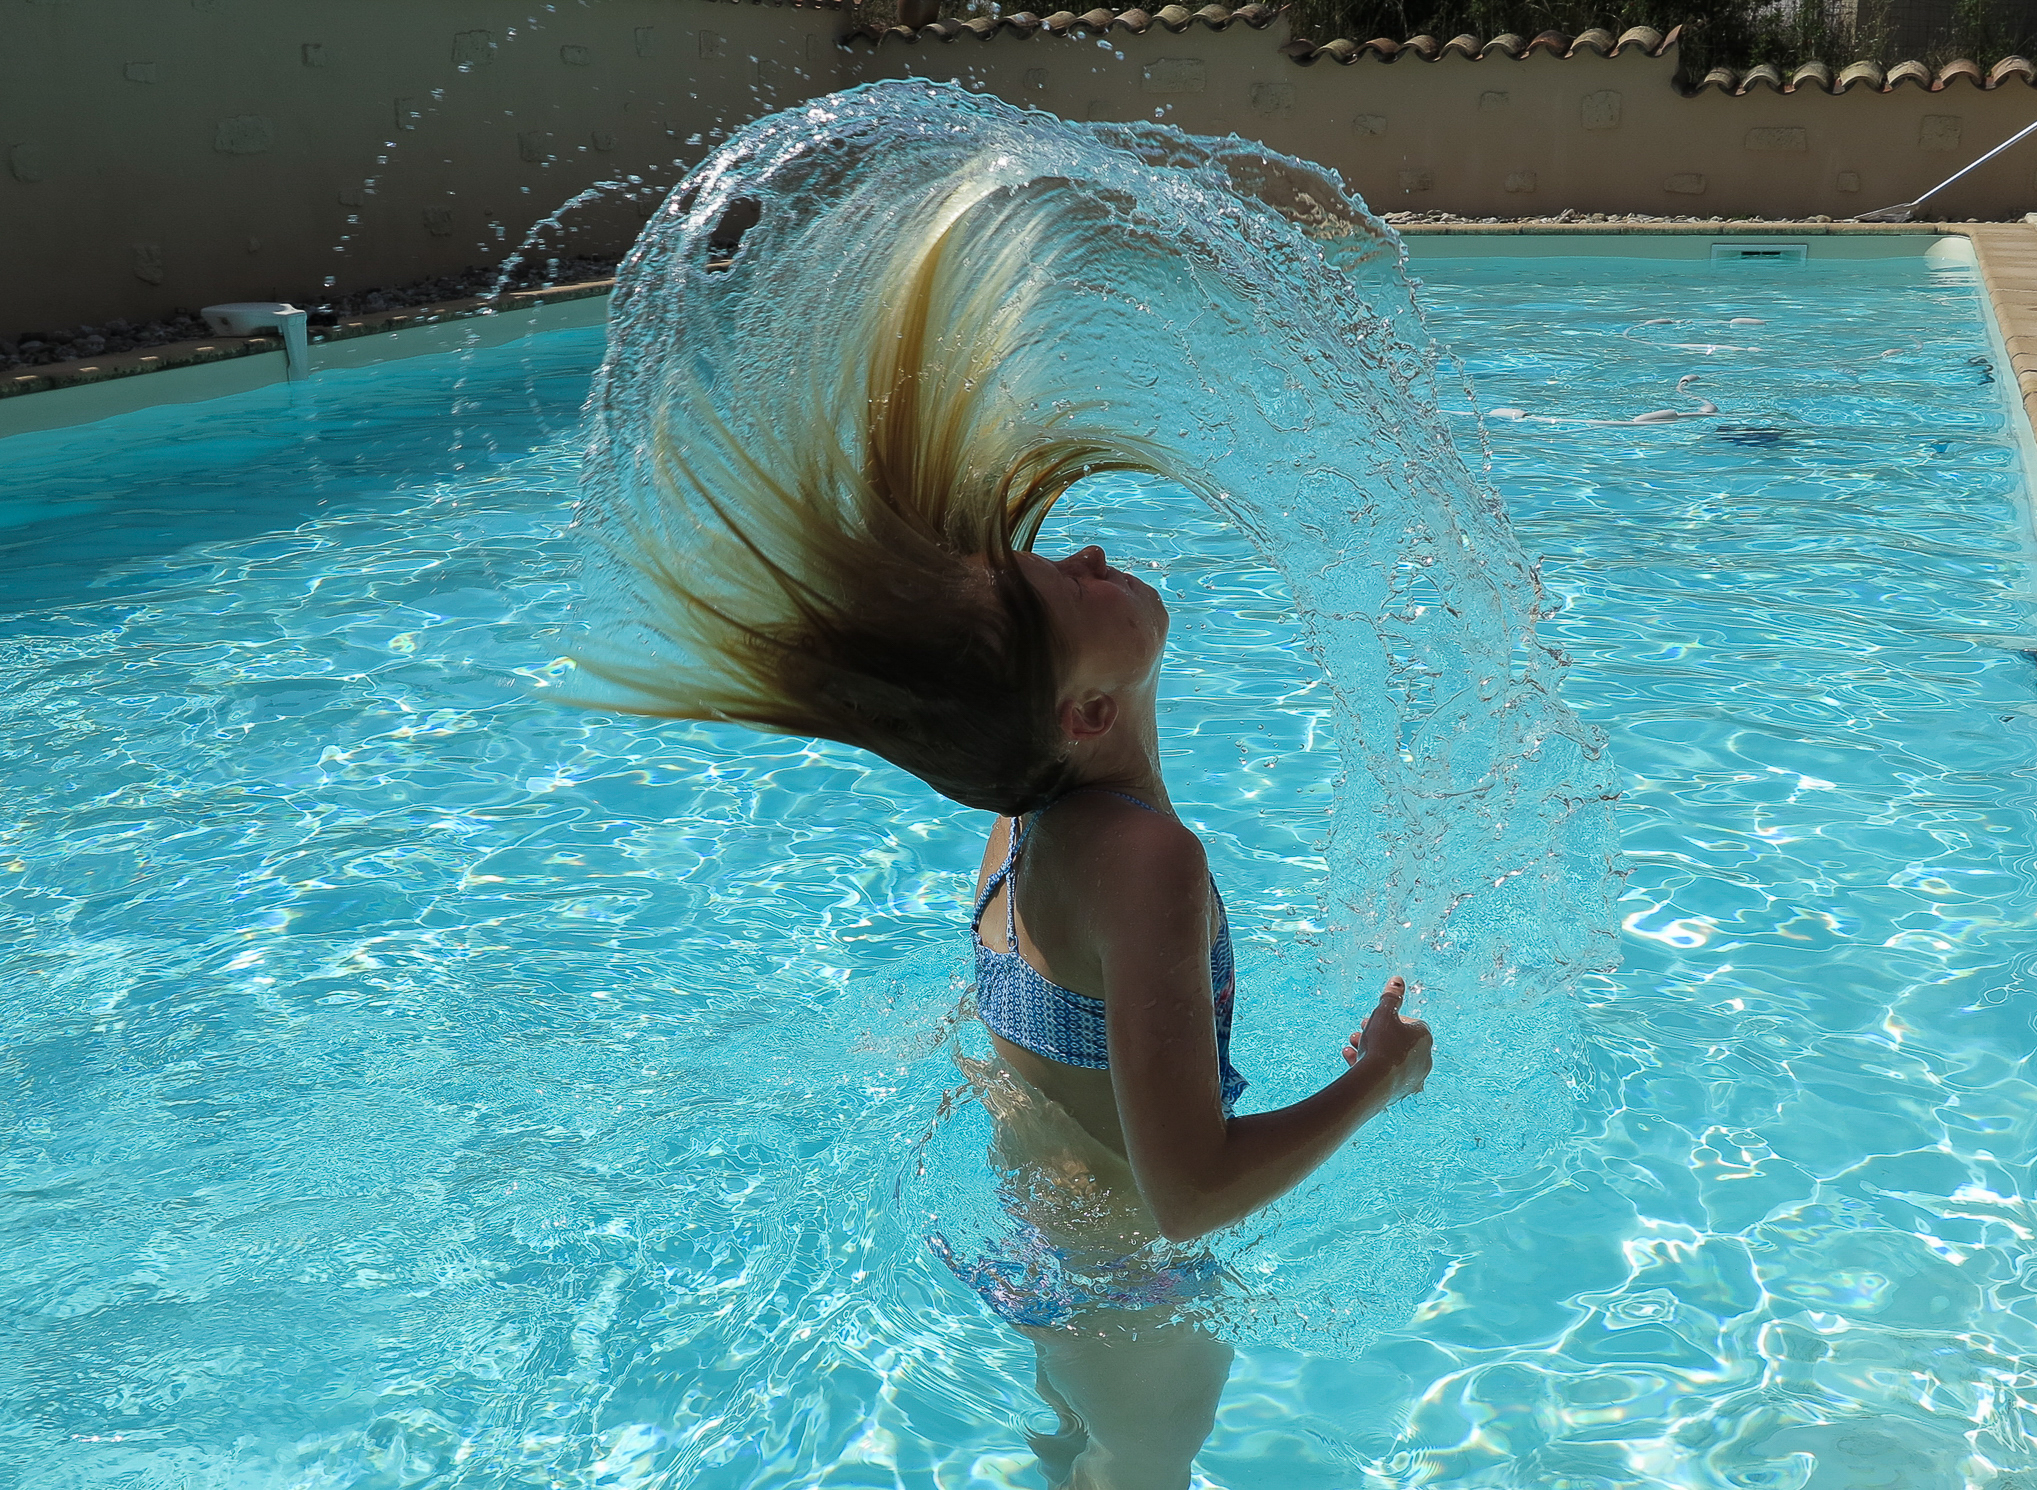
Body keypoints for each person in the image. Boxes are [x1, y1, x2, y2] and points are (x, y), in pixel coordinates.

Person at [574, 185, 1435, 1490]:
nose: (1090, 550)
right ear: (1085, 712)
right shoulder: (1147, 865)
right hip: (1127, 1284)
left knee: (1068, 1461)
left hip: (1030, 1242)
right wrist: (1380, 1078)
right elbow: (1191, 1192)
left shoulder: (1015, 825)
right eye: (1071, 586)